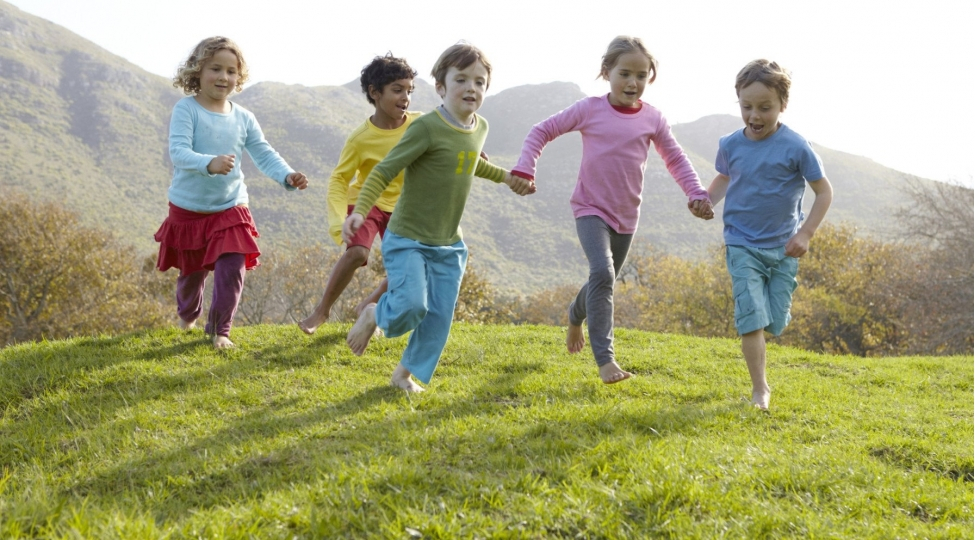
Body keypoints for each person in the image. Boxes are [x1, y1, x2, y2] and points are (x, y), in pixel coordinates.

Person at [510, 35, 712, 384]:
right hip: (590, 209)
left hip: (627, 216)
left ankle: (575, 315)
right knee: (603, 275)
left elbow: (676, 158)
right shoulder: (590, 109)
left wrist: (696, 192)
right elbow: (541, 130)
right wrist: (526, 168)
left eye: (641, 75)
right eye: (624, 73)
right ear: (607, 72)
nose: (633, 83)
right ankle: (606, 361)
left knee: (601, 279)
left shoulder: (654, 119)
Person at [343, 42, 533, 392]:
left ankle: (404, 374)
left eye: (479, 82)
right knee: (412, 305)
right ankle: (374, 314)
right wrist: (362, 211)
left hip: (449, 243)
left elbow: (469, 161)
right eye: (461, 79)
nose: (471, 88)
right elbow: (385, 170)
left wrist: (507, 178)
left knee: (439, 317)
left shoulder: (480, 127)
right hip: (408, 238)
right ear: (441, 87)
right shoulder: (426, 128)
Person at [154, 36, 308, 349]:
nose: (224, 77)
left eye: (231, 71)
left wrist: (287, 175)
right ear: (198, 71)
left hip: (230, 205)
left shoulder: (244, 118)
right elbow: (179, 152)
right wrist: (209, 163)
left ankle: (220, 330)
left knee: (233, 267)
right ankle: (187, 316)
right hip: (189, 209)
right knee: (192, 275)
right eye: (215, 69)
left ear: (239, 76)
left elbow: (263, 153)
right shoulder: (187, 110)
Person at [706, 59, 833, 410]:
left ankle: (766, 331)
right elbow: (724, 178)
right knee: (751, 319)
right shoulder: (730, 144)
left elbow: (824, 192)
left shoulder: (796, 146)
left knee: (773, 322)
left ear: (782, 105)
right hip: (741, 242)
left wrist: (806, 234)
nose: (754, 115)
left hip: (783, 248)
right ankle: (760, 388)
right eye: (747, 107)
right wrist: (706, 200)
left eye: (765, 107)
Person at [298, 53, 420, 335]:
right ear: (374, 93)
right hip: (367, 201)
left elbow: (450, 137)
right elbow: (340, 179)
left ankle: (368, 304)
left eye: (409, 91)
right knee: (356, 252)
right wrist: (337, 220)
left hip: (404, 208)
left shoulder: (419, 124)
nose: (405, 98)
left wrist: (474, 154)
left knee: (413, 265)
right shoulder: (360, 138)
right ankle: (322, 311)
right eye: (397, 90)